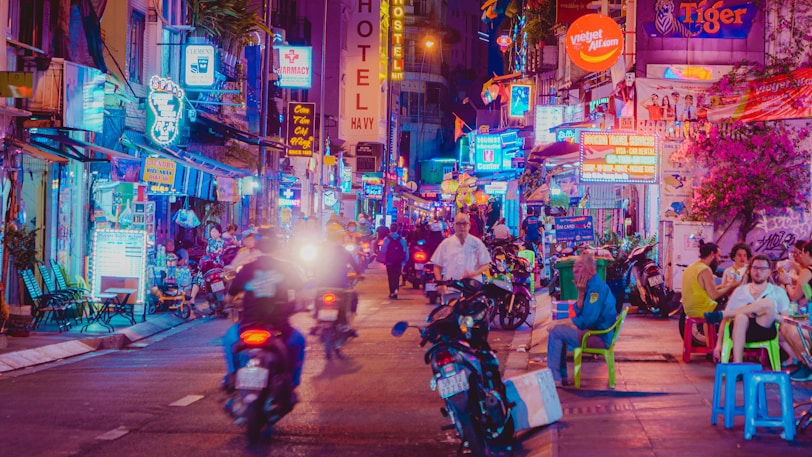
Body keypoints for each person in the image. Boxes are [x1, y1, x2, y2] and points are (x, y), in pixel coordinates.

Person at [221, 229, 306, 402]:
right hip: (278, 327)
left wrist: (232, 302)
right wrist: (297, 305)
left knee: (229, 339)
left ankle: (231, 375)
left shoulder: (247, 268)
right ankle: (292, 382)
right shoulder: (286, 267)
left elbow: (229, 297)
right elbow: (302, 293)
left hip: (248, 325)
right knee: (299, 342)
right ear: (277, 247)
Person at [546, 253, 617, 387]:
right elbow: (580, 312)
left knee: (556, 331)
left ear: (591, 270)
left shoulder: (596, 289)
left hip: (598, 337)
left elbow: (586, 320)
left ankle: (555, 377)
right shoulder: (589, 287)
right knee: (558, 330)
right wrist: (580, 293)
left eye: (580, 266)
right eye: (574, 266)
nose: (574, 270)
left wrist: (559, 322)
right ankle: (562, 376)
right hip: (593, 332)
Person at [705, 254, 789, 364]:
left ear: (769, 272)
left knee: (768, 303)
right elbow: (725, 321)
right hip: (740, 330)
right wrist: (718, 345)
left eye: (762, 269)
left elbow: (786, 319)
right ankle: (737, 364)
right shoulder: (740, 291)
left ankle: (723, 313)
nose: (758, 272)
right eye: (755, 268)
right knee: (740, 317)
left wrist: (767, 314)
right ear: (750, 270)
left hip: (765, 328)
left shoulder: (777, 291)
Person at [431, 213, 492, 299]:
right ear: (454, 226)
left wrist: (473, 274)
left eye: (464, 224)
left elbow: (486, 264)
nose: (462, 227)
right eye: (459, 224)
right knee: (449, 311)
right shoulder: (446, 243)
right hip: (451, 289)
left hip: (473, 289)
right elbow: (437, 265)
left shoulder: (477, 243)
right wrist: (440, 282)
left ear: (469, 225)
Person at [188, 223, 226, 305]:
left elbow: (220, 251)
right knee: (197, 279)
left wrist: (217, 252)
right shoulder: (210, 241)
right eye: (212, 231)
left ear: (220, 233)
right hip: (207, 265)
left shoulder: (222, 243)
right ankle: (192, 299)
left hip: (217, 266)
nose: (213, 233)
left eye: (215, 232)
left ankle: (219, 301)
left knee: (217, 281)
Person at [380, 223, 408, 299]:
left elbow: (383, 250)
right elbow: (405, 251)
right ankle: (396, 290)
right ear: (397, 229)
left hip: (389, 261)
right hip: (399, 261)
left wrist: (383, 259)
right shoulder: (401, 239)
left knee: (391, 276)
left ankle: (392, 292)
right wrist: (404, 261)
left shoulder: (386, 239)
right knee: (397, 276)